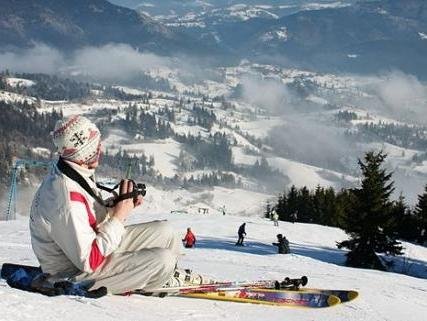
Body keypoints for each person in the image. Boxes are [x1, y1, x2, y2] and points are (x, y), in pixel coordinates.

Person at [29, 115, 212, 295]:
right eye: (95, 148)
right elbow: (90, 260)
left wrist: (114, 205)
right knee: (163, 259)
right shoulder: (65, 200)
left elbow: (86, 218)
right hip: (72, 272)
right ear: (84, 154)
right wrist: (119, 216)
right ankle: (159, 275)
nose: (100, 150)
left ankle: (167, 273)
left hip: (86, 249)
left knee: (166, 230)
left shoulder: (72, 168)